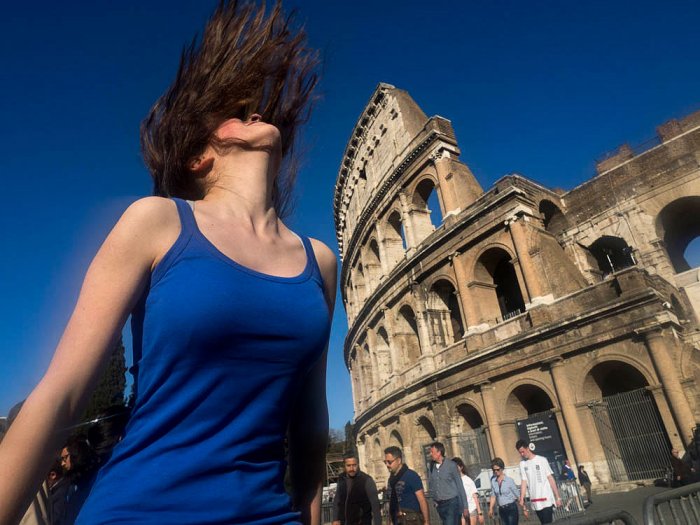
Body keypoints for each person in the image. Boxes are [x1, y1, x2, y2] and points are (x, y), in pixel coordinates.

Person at [0, 2, 335, 524]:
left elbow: (310, 416)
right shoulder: (156, 222)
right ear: (197, 156)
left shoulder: (319, 261)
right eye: (231, 110)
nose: (253, 110)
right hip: (139, 510)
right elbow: (61, 394)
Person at [515, 440, 562, 524]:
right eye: (520, 453)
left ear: (528, 448)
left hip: (546, 498)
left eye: (523, 451)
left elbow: (550, 478)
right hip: (535, 500)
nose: (522, 454)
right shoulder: (522, 464)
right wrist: (522, 498)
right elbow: (524, 481)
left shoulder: (542, 460)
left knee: (547, 522)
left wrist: (557, 497)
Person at [384, 446, 430, 525]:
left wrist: (426, 522)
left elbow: (422, 499)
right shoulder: (391, 479)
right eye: (385, 462)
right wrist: (390, 521)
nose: (387, 465)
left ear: (398, 460)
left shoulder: (411, 476)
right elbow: (391, 501)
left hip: (411, 520)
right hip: (397, 520)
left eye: (389, 462)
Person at [332, 453, 382, 525]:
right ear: (344, 466)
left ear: (358, 464)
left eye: (354, 465)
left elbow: (375, 507)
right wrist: (335, 519)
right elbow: (337, 500)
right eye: (348, 466)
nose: (352, 469)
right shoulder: (341, 478)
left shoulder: (366, 480)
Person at [427, 442, 469, 525]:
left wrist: (465, 507)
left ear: (439, 452)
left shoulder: (451, 465)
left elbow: (460, 486)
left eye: (432, 452)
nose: (430, 454)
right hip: (440, 505)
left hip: (452, 503)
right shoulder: (431, 467)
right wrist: (434, 500)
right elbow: (431, 484)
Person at [487, 457, 520, 525]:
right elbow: (493, 496)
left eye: (497, 469)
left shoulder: (509, 480)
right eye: (494, 470)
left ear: (502, 468)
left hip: (511, 508)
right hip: (501, 509)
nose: (495, 471)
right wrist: (490, 508)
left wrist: (525, 509)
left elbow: (518, 495)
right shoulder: (493, 481)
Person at [451, 457, 483, 525]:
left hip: (471, 509)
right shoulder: (453, 481)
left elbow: (475, 496)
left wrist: (479, 512)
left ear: (461, 467)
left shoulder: (468, 480)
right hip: (460, 511)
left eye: (456, 467)